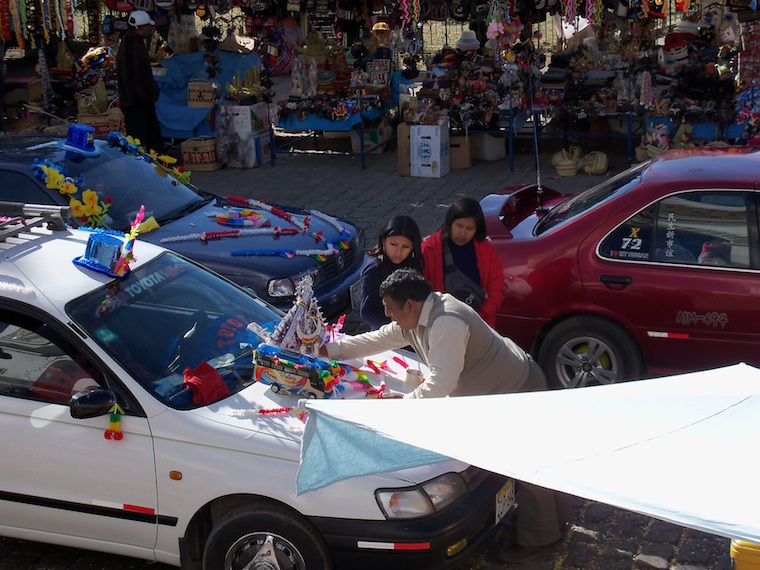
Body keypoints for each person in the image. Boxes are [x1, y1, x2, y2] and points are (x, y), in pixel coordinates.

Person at [322, 268, 571, 561]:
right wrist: (327, 351)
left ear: (410, 305)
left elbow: (442, 381)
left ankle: (542, 537)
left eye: (389, 307)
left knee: (528, 467)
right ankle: (552, 522)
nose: (386, 314)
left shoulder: (446, 321)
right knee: (530, 465)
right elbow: (377, 339)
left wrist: (404, 406)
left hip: (518, 391)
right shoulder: (416, 316)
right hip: (501, 391)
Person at [422, 197, 505, 328]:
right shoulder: (430, 249)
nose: (463, 233)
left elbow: (496, 289)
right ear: (450, 223)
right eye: (459, 226)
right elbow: (422, 292)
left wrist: (479, 317)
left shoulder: (486, 250)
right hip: (440, 324)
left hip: (479, 324)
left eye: (469, 228)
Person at [360, 215, 423, 329]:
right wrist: (397, 327)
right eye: (393, 244)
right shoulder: (374, 268)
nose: (398, 252)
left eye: (405, 246)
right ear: (383, 241)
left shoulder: (415, 263)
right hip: (386, 331)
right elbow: (368, 313)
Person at [116, 10, 164, 153]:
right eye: (148, 26)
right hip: (136, 103)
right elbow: (131, 76)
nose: (150, 29)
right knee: (137, 141)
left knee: (151, 138)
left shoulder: (134, 42)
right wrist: (141, 97)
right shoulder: (131, 45)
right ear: (142, 27)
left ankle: (155, 161)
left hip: (141, 101)